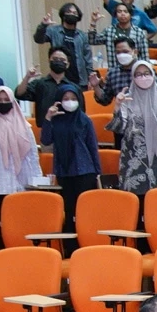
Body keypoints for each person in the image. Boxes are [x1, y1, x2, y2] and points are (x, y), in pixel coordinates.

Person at [40, 83, 100, 231]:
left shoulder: (84, 120)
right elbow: (46, 140)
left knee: (84, 210)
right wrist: (47, 118)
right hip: (64, 170)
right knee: (69, 210)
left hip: (84, 171)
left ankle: (87, 239)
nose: (70, 101)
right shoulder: (55, 120)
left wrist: (98, 172)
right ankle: (70, 245)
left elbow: (92, 147)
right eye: (65, 98)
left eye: (73, 98)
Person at [111, 61, 157, 197]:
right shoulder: (127, 100)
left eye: (146, 74)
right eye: (138, 74)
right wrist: (117, 106)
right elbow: (118, 128)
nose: (143, 78)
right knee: (134, 202)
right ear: (133, 77)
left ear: (153, 75)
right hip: (132, 160)